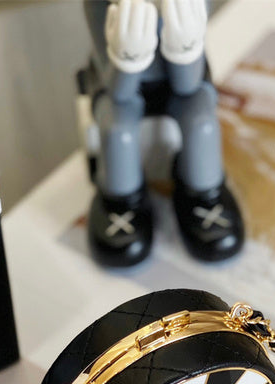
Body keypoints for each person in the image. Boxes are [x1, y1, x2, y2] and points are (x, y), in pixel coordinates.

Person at [83, 0, 245, 266]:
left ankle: (204, 192)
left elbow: (188, 86)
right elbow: (118, 93)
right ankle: (120, 200)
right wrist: (126, 58)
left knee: (201, 124)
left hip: (184, 84)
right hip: (120, 87)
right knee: (118, 131)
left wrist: (185, 48)